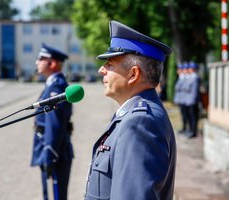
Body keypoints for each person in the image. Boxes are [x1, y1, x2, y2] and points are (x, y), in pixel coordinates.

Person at [84, 20, 176, 200]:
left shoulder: (140, 123)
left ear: (133, 74)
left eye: (110, 64)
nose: (102, 70)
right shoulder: (135, 114)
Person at [31, 43, 74, 200]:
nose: (37, 62)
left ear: (52, 63)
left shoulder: (56, 88)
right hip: (53, 150)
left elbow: (54, 125)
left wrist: (49, 156)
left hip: (54, 153)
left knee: (54, 196)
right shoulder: (53, 85)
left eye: (40, 58)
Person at [184, 61, 200, 138]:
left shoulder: (195, 78)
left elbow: (194, 91)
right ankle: (190, 130)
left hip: (192, 101)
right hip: (188, 100)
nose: (188, 70)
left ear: (193, 69)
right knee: (190, 116)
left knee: (193, 117)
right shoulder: (191, 77)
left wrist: (192, 101)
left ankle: (194, 131)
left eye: (190, 68)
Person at [173, 63, 189, 134]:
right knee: (183, 115)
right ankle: (184, 128)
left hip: (185, 99)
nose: (178, 71)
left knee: (186, 115)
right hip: (181, 99)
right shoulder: (181, 77)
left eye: (179, 69)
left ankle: (186, 128)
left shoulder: (185, 78)